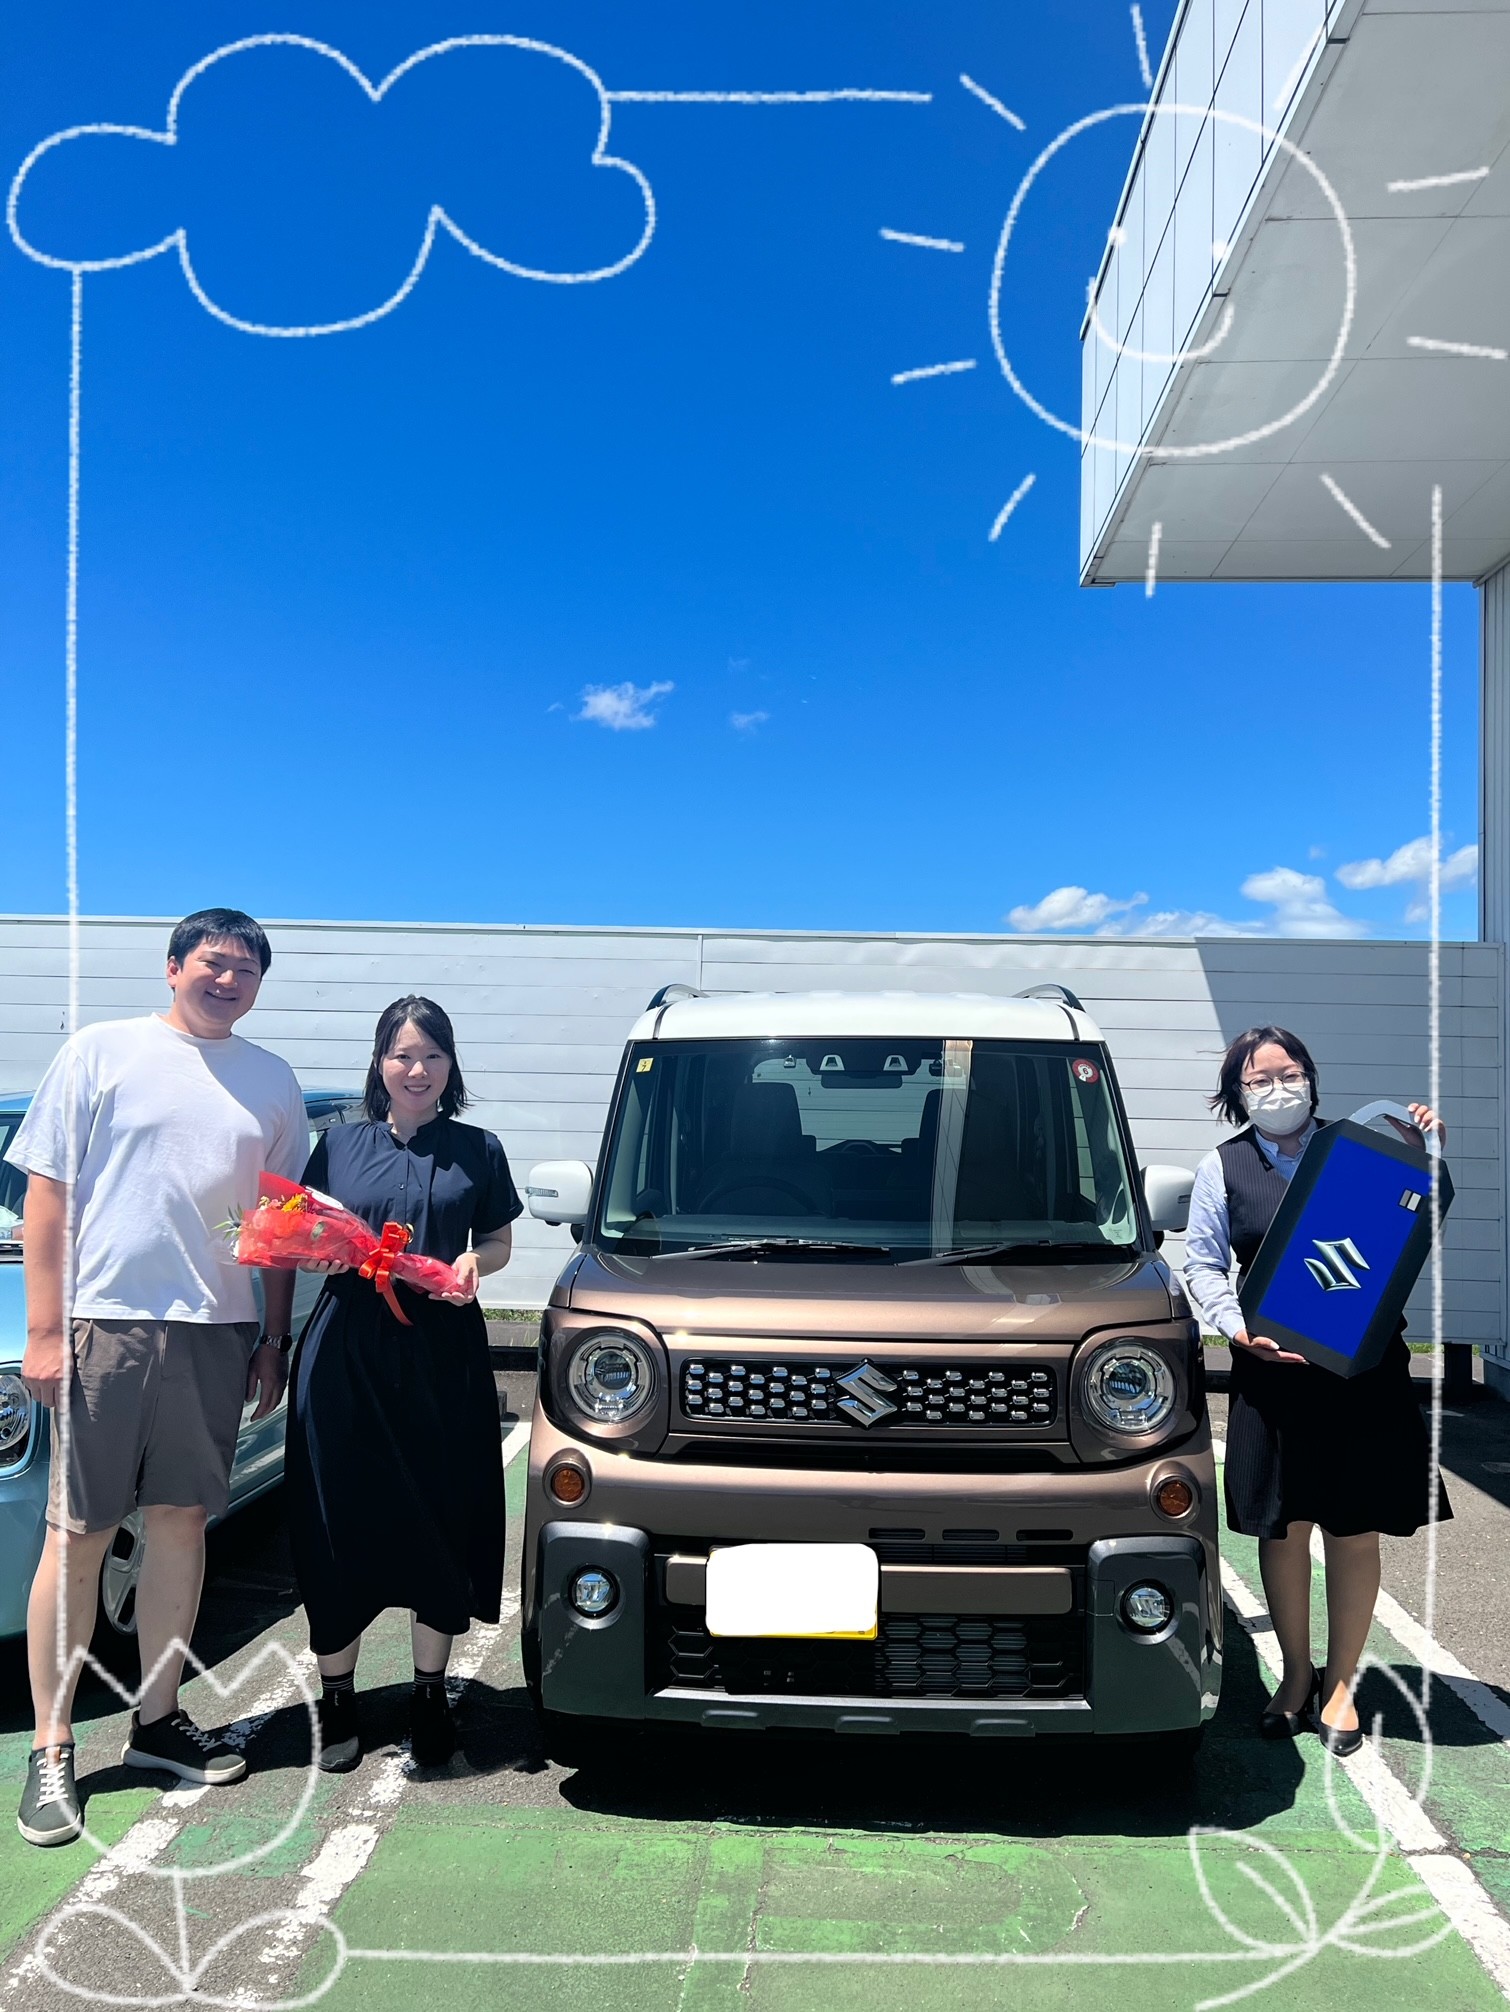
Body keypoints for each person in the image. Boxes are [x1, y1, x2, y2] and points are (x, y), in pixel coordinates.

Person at [6, 909, 307, 1847]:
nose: (228, 980)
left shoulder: (272, 1081)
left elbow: (281, 1228)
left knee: (180, 1526)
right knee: (79, 1535)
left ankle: (158, 1720)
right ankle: (52, 1745)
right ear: (173, 966)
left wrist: (272, 1339)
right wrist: (44, 1332)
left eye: (246, 970)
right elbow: (45, 1198)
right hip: (106, 1327)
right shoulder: (101, 1052)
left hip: (216, 1331)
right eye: (213, 962)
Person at [1183, 1025, 1450, 1755]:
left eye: (1288, 1073)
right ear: (1237, 1093)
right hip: (1273, 1373)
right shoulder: (1223, 1166)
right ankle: (1296, 1675)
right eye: (1259, 1080)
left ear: (1310, 1076)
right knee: (1284, 1526)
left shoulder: (1360, 1152)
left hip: (1360, 1371)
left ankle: (1341, 1685)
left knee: (1353, 1529)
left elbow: (1412, 1229)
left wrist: (1423, 1152)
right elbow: (1202, 1263)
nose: (1277, 1089)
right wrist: (1237, 1328)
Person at [285, 996, 520, 1772]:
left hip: (442, 1350)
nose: (417, 1070)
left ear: (451, 1065)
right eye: (402, 1055)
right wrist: (318, 1251)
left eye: (432, 1056)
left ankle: (428, 1694)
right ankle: (337, 1697)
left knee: (441, 1509)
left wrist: (475, 1263)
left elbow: (497, 1238)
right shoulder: (339, 1146)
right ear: (379, 1063)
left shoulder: (479, 1148)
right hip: (345, 1349)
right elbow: (304, 1233)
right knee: (337, 1512)